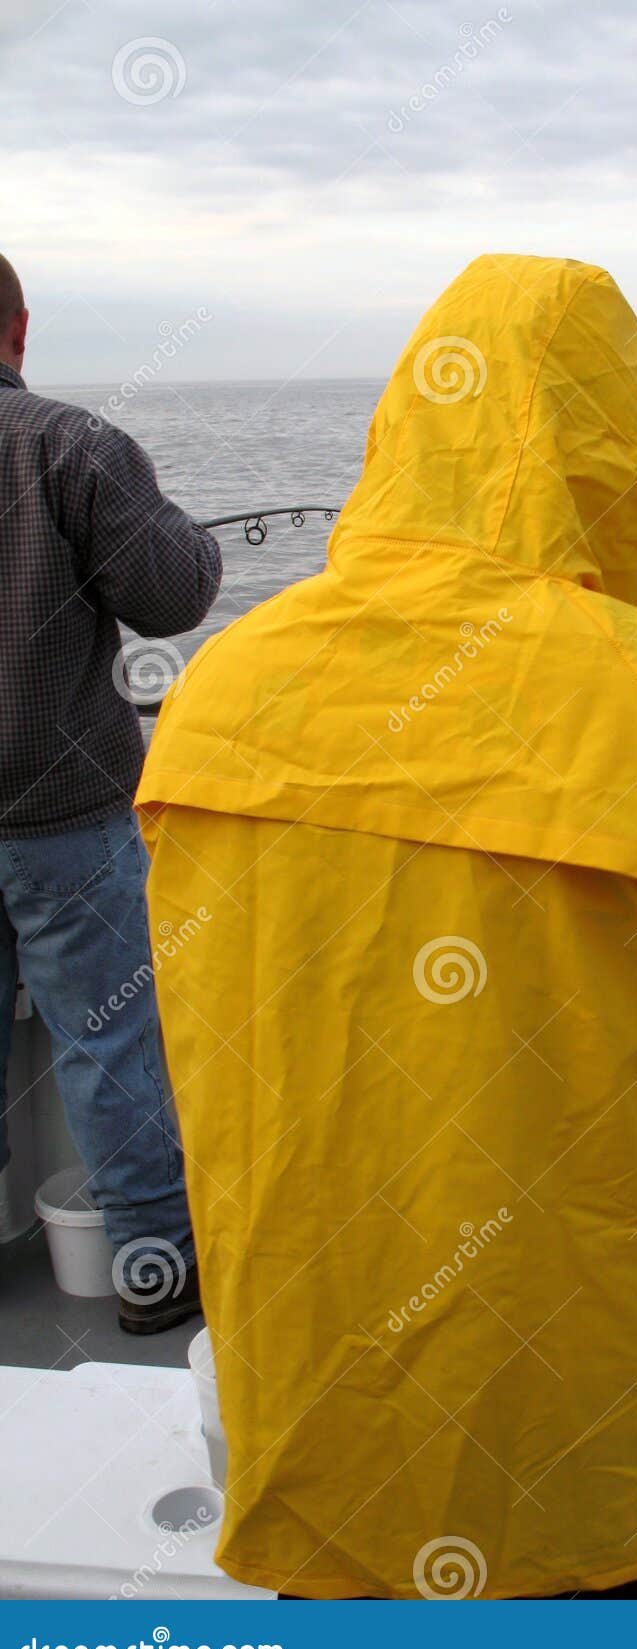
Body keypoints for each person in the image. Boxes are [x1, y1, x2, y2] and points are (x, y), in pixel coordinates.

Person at [137, 253, 637, 1598]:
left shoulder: (220, 695)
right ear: (617, 444)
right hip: (630, 1474)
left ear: (401, 426)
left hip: (333, 1456)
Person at [0, 252, 220, 1332]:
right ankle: (151, 1272)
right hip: (65, 818)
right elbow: (172, 593)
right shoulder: (71, 445)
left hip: (60, 820)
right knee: (108, 1042)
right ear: (20, 328)